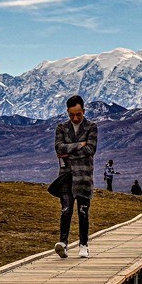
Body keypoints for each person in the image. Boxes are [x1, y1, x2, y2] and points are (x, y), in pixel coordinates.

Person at [47, 95, 98, 259]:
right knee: (66, 210)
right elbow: (58, 148)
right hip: (66, 177)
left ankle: (84, 244)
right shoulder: (61, 128)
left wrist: (69, 152)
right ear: (67, 113)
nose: (75, 118)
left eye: (78, 114)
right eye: (72, 115)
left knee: (83, 212)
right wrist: (79, 145)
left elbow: (90, 149)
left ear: (83, 111)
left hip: (83, 177)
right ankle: (63, 242)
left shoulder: (91, 127)